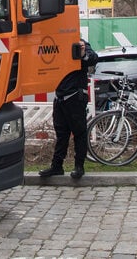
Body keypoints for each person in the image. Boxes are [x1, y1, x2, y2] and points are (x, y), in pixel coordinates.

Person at [39, 39, 98, 180]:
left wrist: (82, 52)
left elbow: (93, 58)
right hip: (60, 97)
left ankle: (79, 167)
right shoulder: (55, 44)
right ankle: (57, 166)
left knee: (79, 133)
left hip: (75, 97)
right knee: (61, 134)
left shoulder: (80, 44)